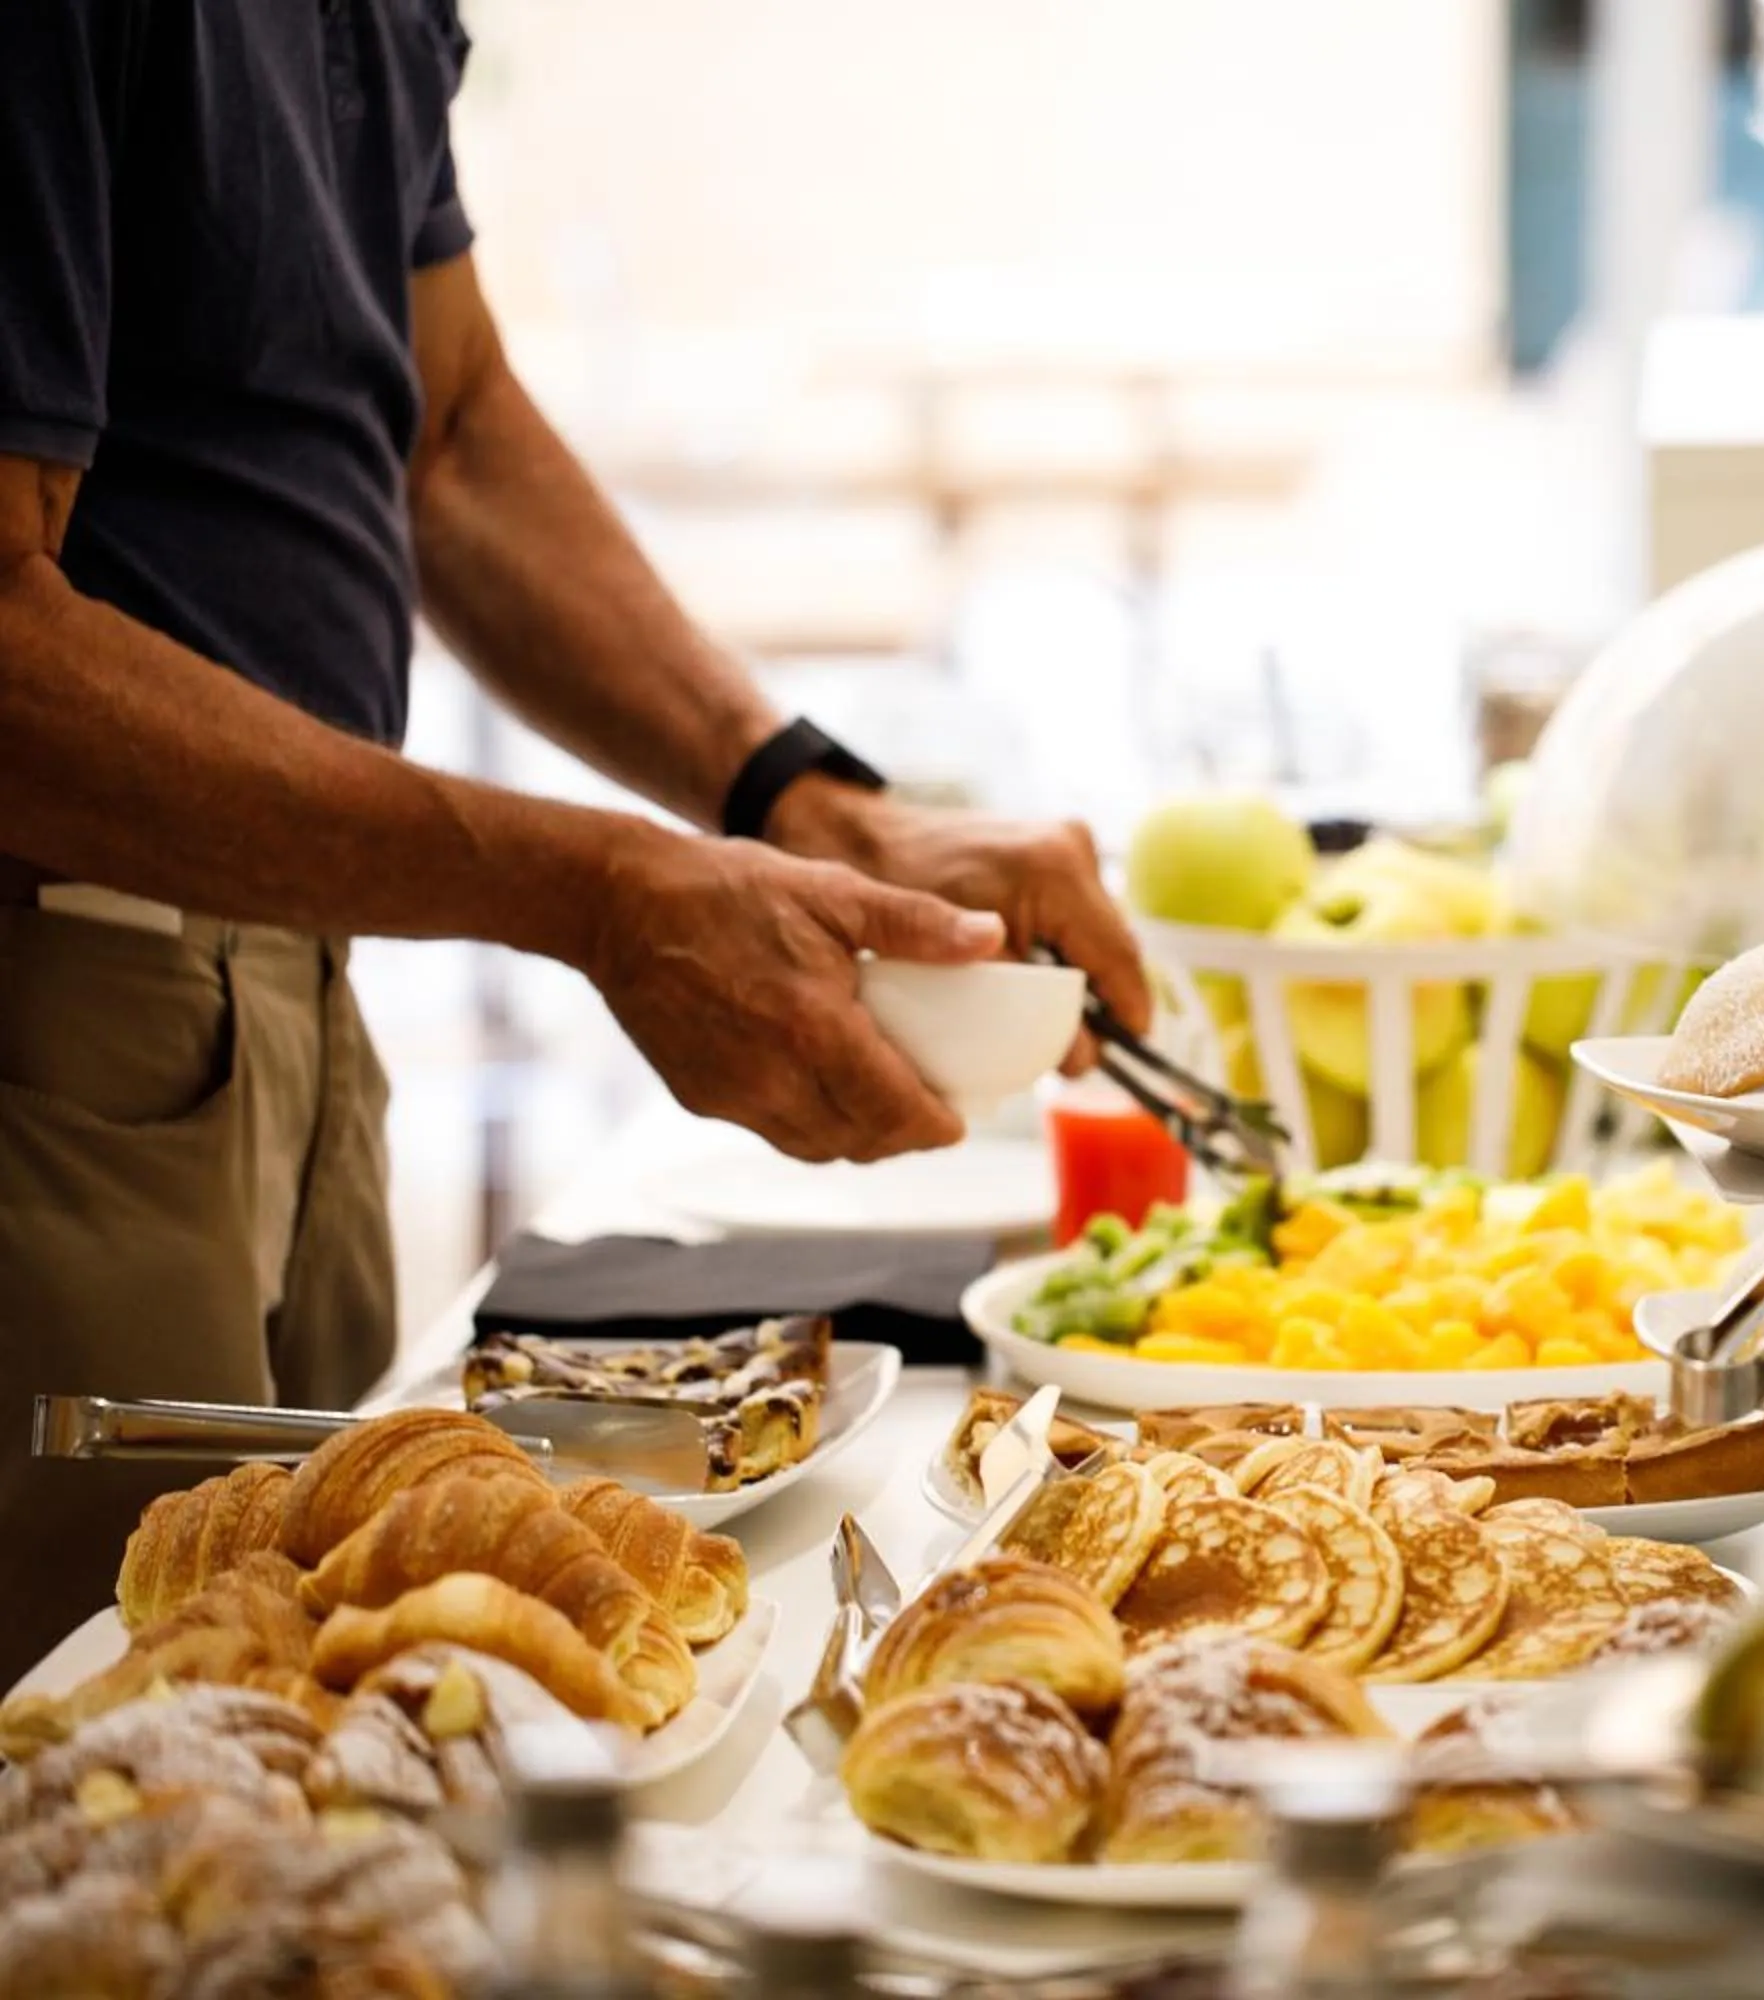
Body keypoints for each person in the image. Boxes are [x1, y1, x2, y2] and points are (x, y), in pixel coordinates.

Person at [0, 3, 1154, 1677]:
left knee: (315, 1717)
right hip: (63, 992)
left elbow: (448, 431)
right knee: (92, 1769)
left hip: (295, 984)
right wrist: (594, 890)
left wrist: (810, 801)